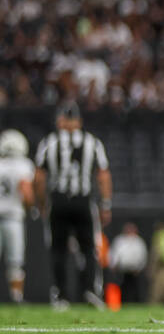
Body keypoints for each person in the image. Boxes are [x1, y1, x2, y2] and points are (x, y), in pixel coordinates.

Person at [33, 101, 112, 310]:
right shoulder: (92, 142)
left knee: (58, 249)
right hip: (83, 200)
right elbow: (103, 175)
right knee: (88, 249)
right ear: (79, 121)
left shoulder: (50, 142)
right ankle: (90, 290)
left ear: (60, 120)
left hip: (58, 201)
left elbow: (39, 178)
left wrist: (41, 204)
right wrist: (105, 204)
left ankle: (60, 295)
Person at [0, 130, 34, 303]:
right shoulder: (23, 165)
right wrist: (31, 207)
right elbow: (25, 189)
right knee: (15, 261)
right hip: (13, 218)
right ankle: (16, 297)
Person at [108, 222, 147, 304]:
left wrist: (140, 268)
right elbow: (114, 253)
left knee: (134, 289)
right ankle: (122, 303)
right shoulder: (119, 240)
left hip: (134, 271)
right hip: (122, 270)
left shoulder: (138, 241)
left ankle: (135, 304)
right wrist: (113, 265)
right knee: (123, 289)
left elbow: (143, 255)